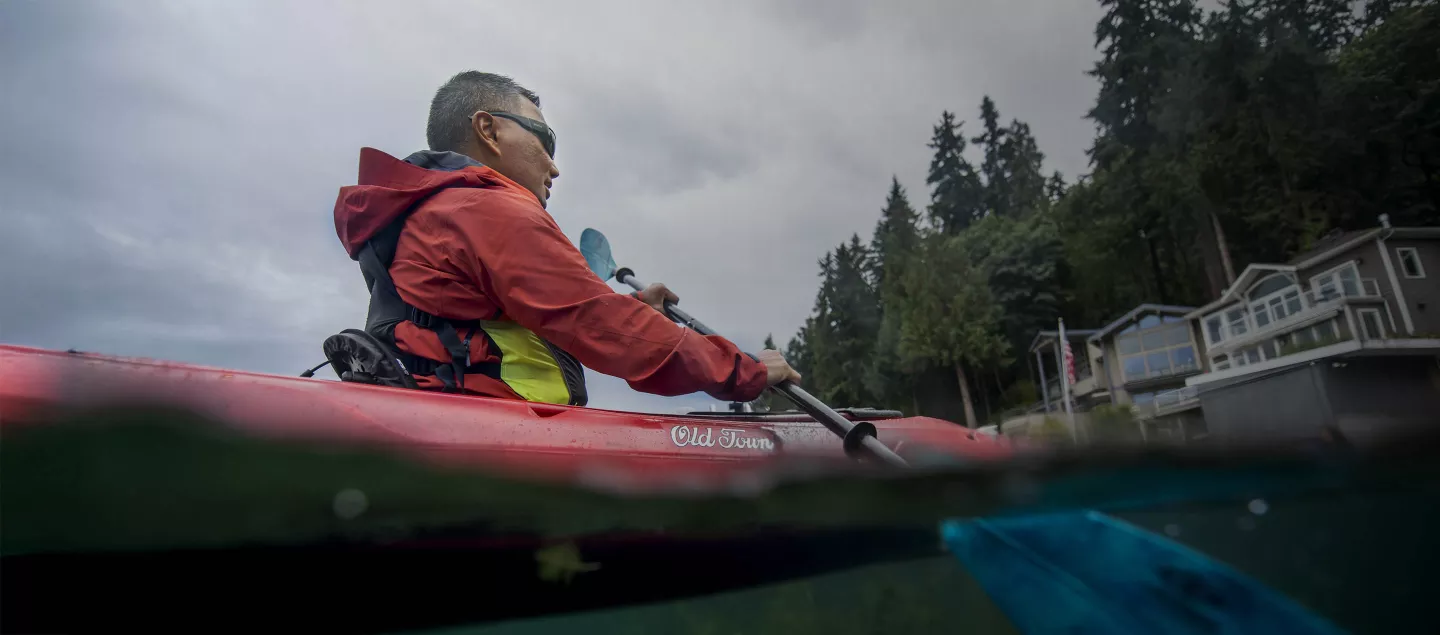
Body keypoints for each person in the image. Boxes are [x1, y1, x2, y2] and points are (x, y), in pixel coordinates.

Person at [332, 71, 800, 406]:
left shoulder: (431, 213)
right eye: (545, 139)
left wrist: (636, 311)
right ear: (488, 129)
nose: (554, 166)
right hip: (490, 430)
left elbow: (534, 322)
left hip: (453, 414)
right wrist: (746, 370)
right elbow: (599, 325)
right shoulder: (484, 209)